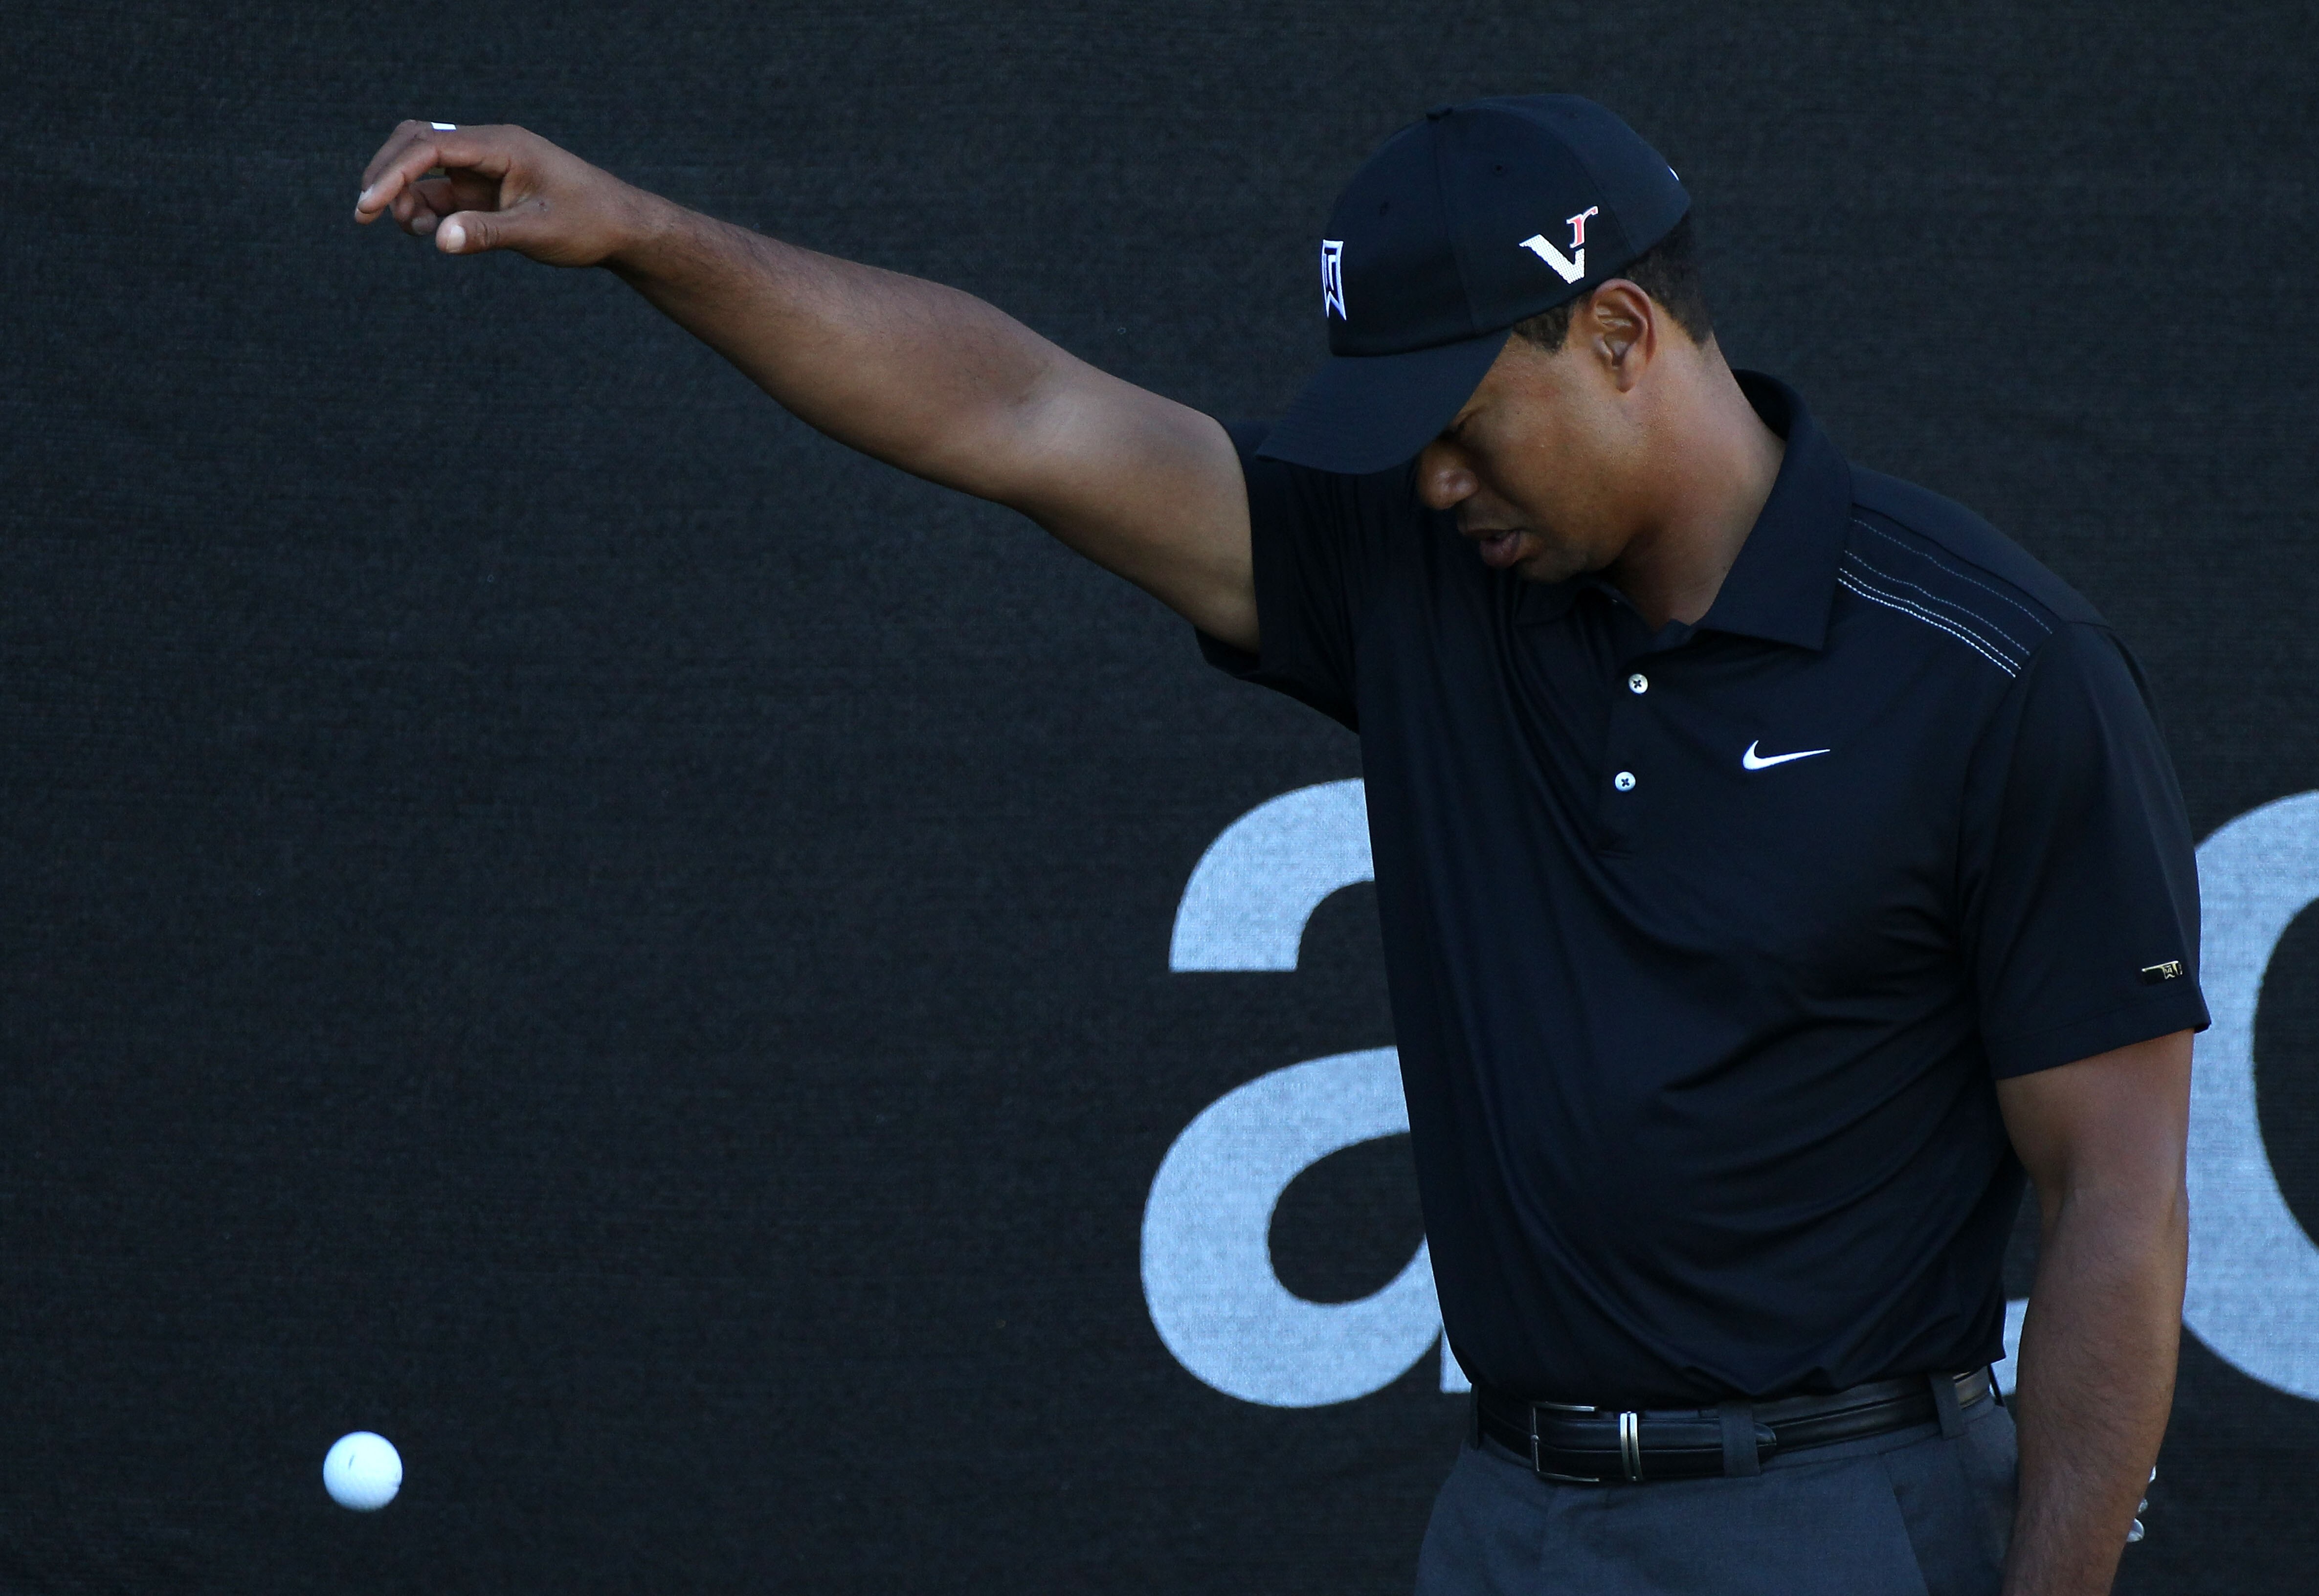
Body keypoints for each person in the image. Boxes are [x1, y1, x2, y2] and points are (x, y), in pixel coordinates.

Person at [354, 94, 2205, 1596]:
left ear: (1621, 334)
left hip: (1841, 1527)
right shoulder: (1420, 577)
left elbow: (2115, 1198)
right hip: (1512, 1525)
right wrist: (652, 239)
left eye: (1460, 422)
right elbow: (1020, 414)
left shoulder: (1996, 671)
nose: (1427, 482)